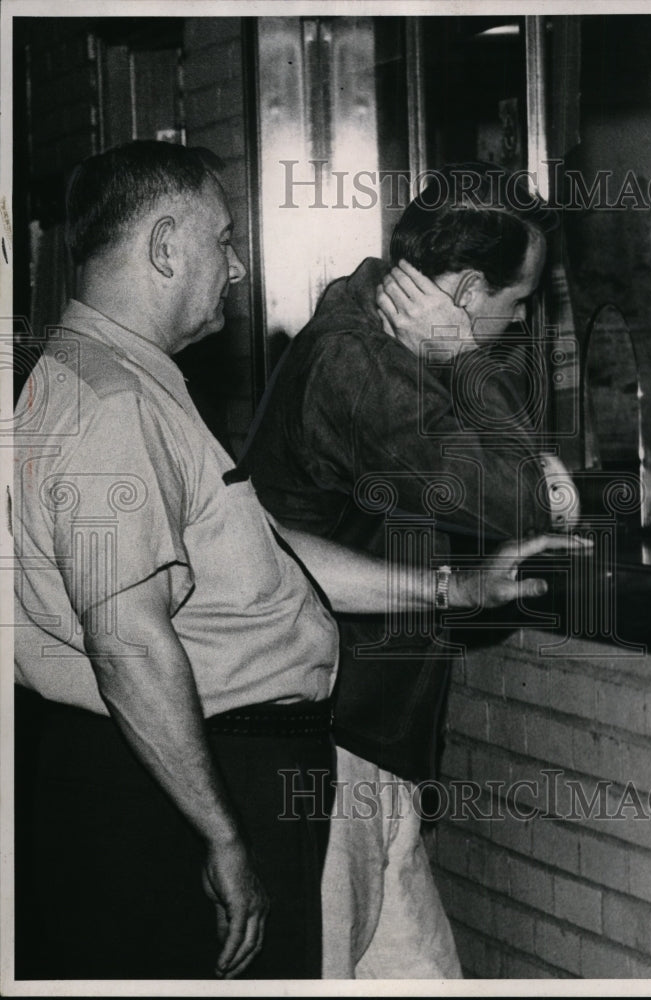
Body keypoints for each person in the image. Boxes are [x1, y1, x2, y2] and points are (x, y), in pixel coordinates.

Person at [12, 142, 580, 981]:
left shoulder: (130, 380)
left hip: (267, 753)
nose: (238, 267)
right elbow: (127, 643)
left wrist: (454, 586)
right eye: (224, 240)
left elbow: (261, 547)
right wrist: (225, 835)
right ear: (165, 247)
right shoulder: (112, 406)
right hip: (221, 769)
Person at [231, 162, 581, 978]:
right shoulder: (362, 372)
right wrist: (466, 362)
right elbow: (530, 500)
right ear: (461, 293)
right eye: (518, 301)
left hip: (356, 740)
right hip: (324, 738)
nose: (522, 322)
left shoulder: (367, 335)